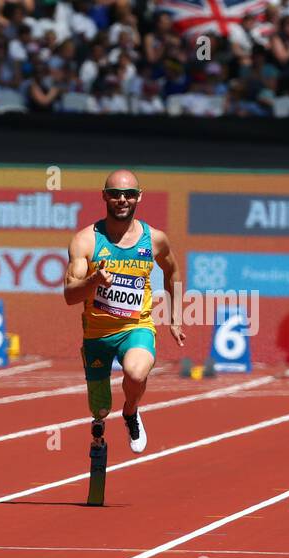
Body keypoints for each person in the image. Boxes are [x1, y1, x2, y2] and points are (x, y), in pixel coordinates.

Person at [64, 170, 184, 502]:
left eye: (129, 195)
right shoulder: (85, 241)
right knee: (99, 410)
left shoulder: (154, 239)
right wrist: (93, 282)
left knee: (135, 371)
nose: (122, 200)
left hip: (136, 328)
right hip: (97, 336)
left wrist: (174, 317)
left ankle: (131, 410)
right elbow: (69, 295)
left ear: (139, 198)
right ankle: (106, 423)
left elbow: (172, 269)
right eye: (116, 194)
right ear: (104, 196)